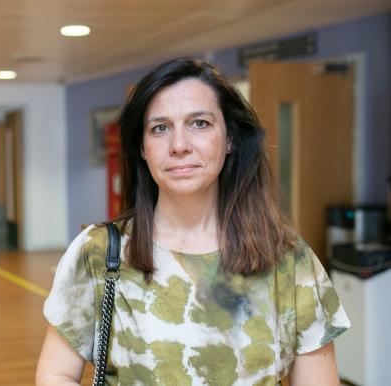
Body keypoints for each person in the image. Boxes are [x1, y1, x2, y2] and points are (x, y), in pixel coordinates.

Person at [36, 58, 350, 385]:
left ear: (229, 138)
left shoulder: (287, 257)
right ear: (142, 148)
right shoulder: (99, 251)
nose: (179, 145)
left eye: (199, 123)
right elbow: (56, 374)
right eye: (160, 128)